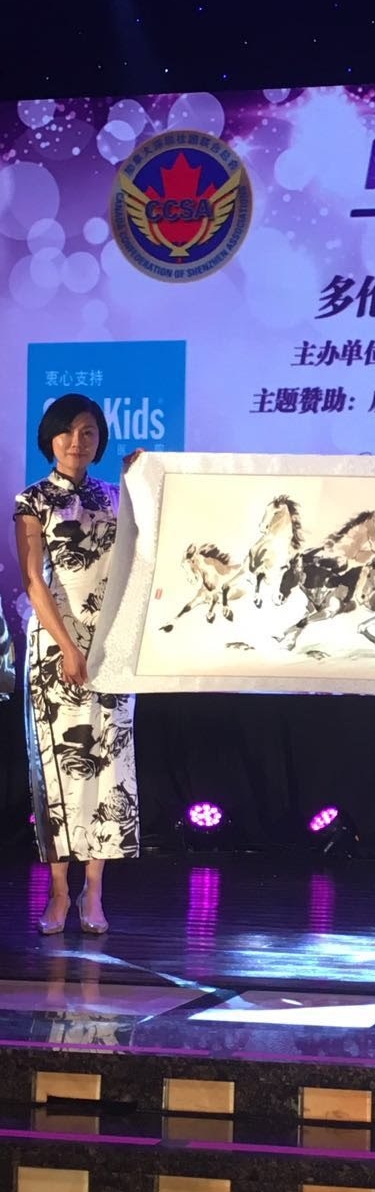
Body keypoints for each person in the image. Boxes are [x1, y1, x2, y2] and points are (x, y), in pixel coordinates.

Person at [14, 394, 140, 936]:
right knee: (59, 773)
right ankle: (59, 892)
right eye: (66, 431)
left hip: (111, 649)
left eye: (88, 432)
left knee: (108, 767)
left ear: (99, 440)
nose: (76, 441)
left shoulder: (115, 498)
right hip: (56, 649)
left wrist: (143, 480)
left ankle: (95, 891)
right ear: (50, 438)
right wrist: (67, 646)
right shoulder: (33, 498)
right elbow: (33, 580)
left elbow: (143, 557)